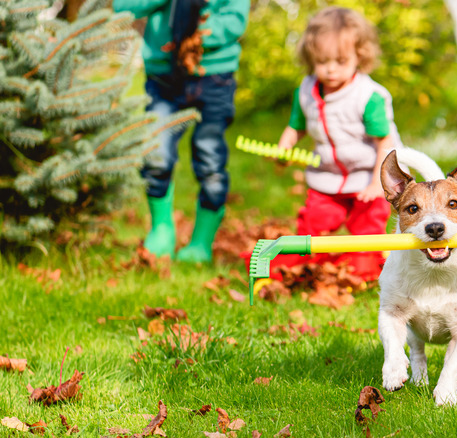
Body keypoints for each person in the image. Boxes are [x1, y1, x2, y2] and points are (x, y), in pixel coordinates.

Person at [113, 0, 249, 263]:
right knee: (156, 152)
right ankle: (162, 230)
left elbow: (235, 19)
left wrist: (197, 32)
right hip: (164, 77)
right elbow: (123, 7)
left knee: (210, 158)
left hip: (214, 76)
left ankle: (201, 242)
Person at [275, 6, 402, 280]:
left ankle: (365, 270)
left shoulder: (368, 97)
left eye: (341, 61)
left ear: (360, 55)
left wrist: (377, 184)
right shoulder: (306, 91)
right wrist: (284, 148)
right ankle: (297, 265)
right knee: (313, 225)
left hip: (370, 177)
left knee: (367, 233)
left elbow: (386, 143)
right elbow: (296, 127)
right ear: (311, 58)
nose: (331, 70)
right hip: (327, 178)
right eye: (323, 62)